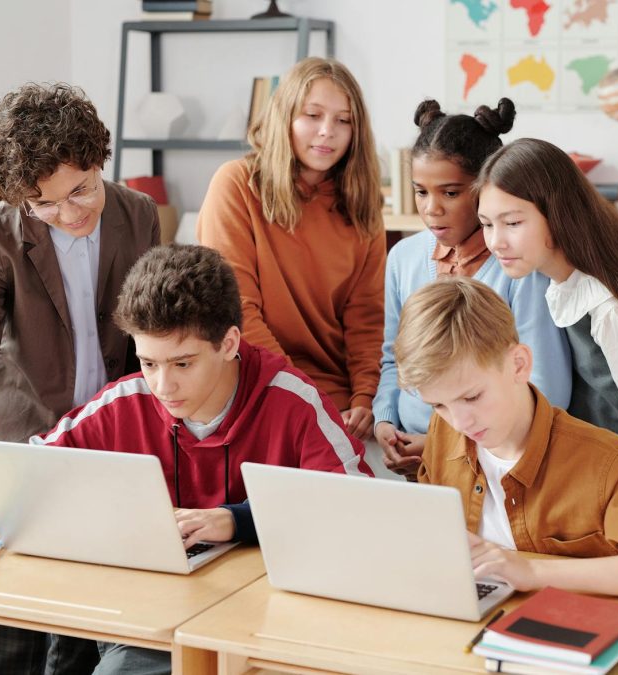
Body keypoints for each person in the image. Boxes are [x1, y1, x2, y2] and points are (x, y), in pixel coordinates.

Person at [32, 243, 373, 673]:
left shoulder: (294, 402)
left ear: (229, 343)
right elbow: (35, 469)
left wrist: (237, 520)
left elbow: (357, 510)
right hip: (153, 623)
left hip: (271, 628)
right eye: (148, 362)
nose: (163, 385)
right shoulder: (127, 398)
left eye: (182, 363)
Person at [0, 82, 159, 675]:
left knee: (83, 649)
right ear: (19, 198)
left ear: (99, 160)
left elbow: (152, 336)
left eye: (82, 189)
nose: (72, 212)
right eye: (46, 203)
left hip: (106, 460)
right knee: (13, 653)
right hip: (14, 458)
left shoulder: (137, 215)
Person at [395, 276, 618, 597]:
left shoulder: (601, 461)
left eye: (472, 397)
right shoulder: (444, 431)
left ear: (519, 365)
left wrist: (533, 570)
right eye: (439, 404)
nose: (459, 422)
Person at [475, 137, 618, 507]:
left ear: (557, 212)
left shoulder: (611, 305)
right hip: (607, 494)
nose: (496, 242)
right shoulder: (565, 283)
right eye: (487, 224)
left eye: (513, 222)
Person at [371, 98, 572, 475]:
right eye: (420, 191)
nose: (431, 208)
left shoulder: (520, 269)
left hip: (496, 462)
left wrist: (442, 446)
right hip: (413, 457)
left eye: (450, 193)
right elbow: (392, 359)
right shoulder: (402, 258)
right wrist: (384, 421)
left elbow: (546, 390)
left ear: (486, 188)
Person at [197, 57, 385, 442]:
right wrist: (301, 395)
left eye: (343, 120)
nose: (326, 132)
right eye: (312, 115)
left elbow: (367, 318)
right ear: (285, 117)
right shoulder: (236, 185)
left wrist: (367, 398)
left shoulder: (363, 205)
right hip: (254, 383)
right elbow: (238, 310)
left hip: (339, 398)